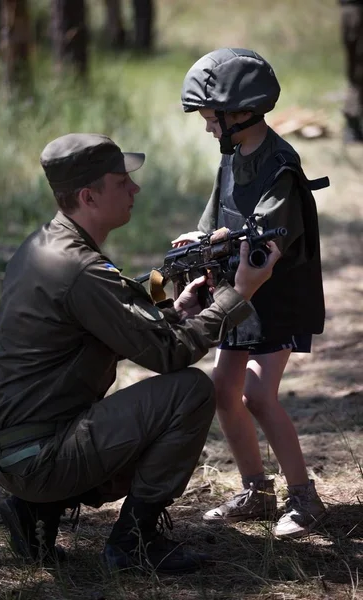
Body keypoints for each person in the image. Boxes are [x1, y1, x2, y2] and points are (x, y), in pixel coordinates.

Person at [0, 133, 280, 574]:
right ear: (88, 195)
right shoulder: (80, 268)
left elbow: (118, 311)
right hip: (38, 456)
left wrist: (174, 306)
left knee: (160, 403)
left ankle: (34, 512)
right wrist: (238, 295)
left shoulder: (45, 245)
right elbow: (169, 355)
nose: (135, 189)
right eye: (122, 182)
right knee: (190, 391)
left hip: (16, 448)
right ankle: (133, 542)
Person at [174, 48, 328, 539]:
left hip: (273, 298)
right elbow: (215, 217)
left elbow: (269, 238)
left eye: (209, 118)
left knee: (259, 395)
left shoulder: (280, 165)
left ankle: (305, 499)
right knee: (223, 392)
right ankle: (256, 491)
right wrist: (199, 244)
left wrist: (222, 244)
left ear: (239, 112)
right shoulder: (233, 157)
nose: (207, 128)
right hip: (238, 293)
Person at [339, 0, 363, 142]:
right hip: (356, 10)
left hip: (350, 10)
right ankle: (353, 122)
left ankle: (353, 122)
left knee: (356, 71)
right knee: (357, 71)